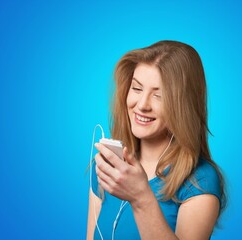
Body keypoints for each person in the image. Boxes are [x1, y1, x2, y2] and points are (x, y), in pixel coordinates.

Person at [86, 40, 226, 240]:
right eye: (136, 88)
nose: (142, 105)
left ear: (183, 105)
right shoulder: (106, 167)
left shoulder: (200, 181)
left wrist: (141, 198)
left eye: (159, 95)